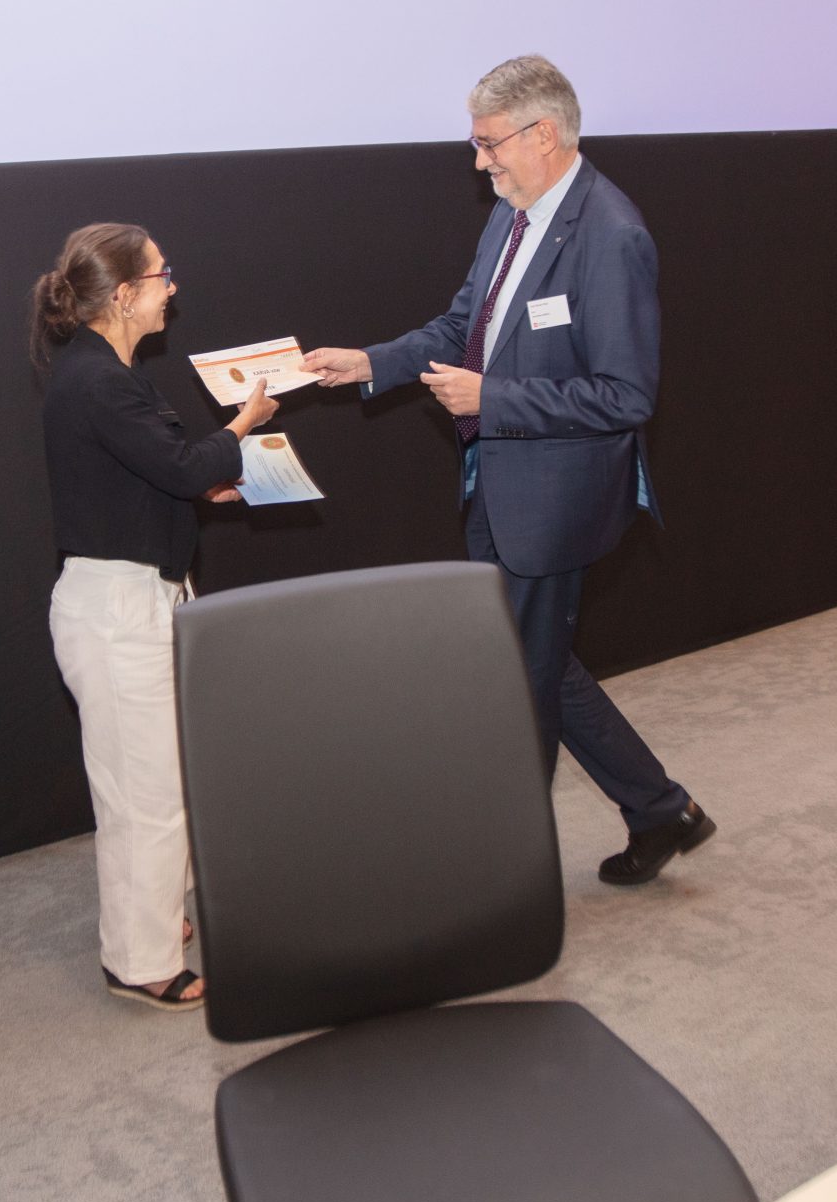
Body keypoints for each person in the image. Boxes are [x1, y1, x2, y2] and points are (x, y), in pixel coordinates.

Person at [304, 56, 714, 885]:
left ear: (544, 134)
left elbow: (625, 395)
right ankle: (659, 808)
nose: (479, 161)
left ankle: (511, 876)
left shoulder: (612, 235)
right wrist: (372, 362)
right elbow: (464, 326)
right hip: (497, 482)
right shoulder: (513, 214)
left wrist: (493, 398)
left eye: (489, 143)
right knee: (535, 658)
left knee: (521, 682)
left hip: (554, 501)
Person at [32, 223, 275, 1009]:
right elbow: (175, 463)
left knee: (157, 782)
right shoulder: (98, 379)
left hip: (138, 599)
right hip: (116, 611)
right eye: (162, 275)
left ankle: (157, 915)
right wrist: (242, 424)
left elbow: (143, 476)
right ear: (125, 293)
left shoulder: (105, 372)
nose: (173, 286)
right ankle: (139, 961)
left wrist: (200, 484)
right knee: (144, 796)